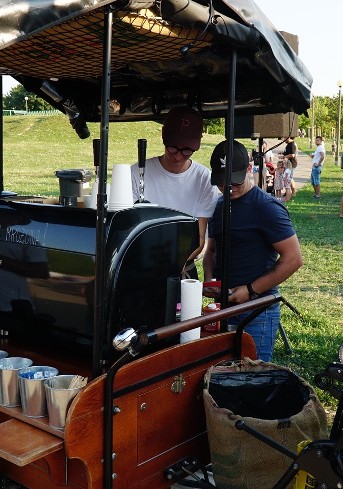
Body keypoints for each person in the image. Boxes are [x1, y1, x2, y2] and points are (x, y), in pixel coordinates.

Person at [202, 140, 303, 362]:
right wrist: (210, 280)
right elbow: (211, 250)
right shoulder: (218, 206)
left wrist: (250, 290)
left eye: (235, 182)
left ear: (249, 169)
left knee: (253, 376)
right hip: (222, 307)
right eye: (222, 183)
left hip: (257, 311)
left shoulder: (266, 207)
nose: (229, 188)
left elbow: (294, 259)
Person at [130, 107, 220, 272]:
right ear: (163, 135)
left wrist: (170, 266)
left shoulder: (204, 179)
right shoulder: (136, 173)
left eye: (186, 150)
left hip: (183, 267)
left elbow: (199, 242)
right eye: (172, 147)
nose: (178, 156)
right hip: (143, 265)